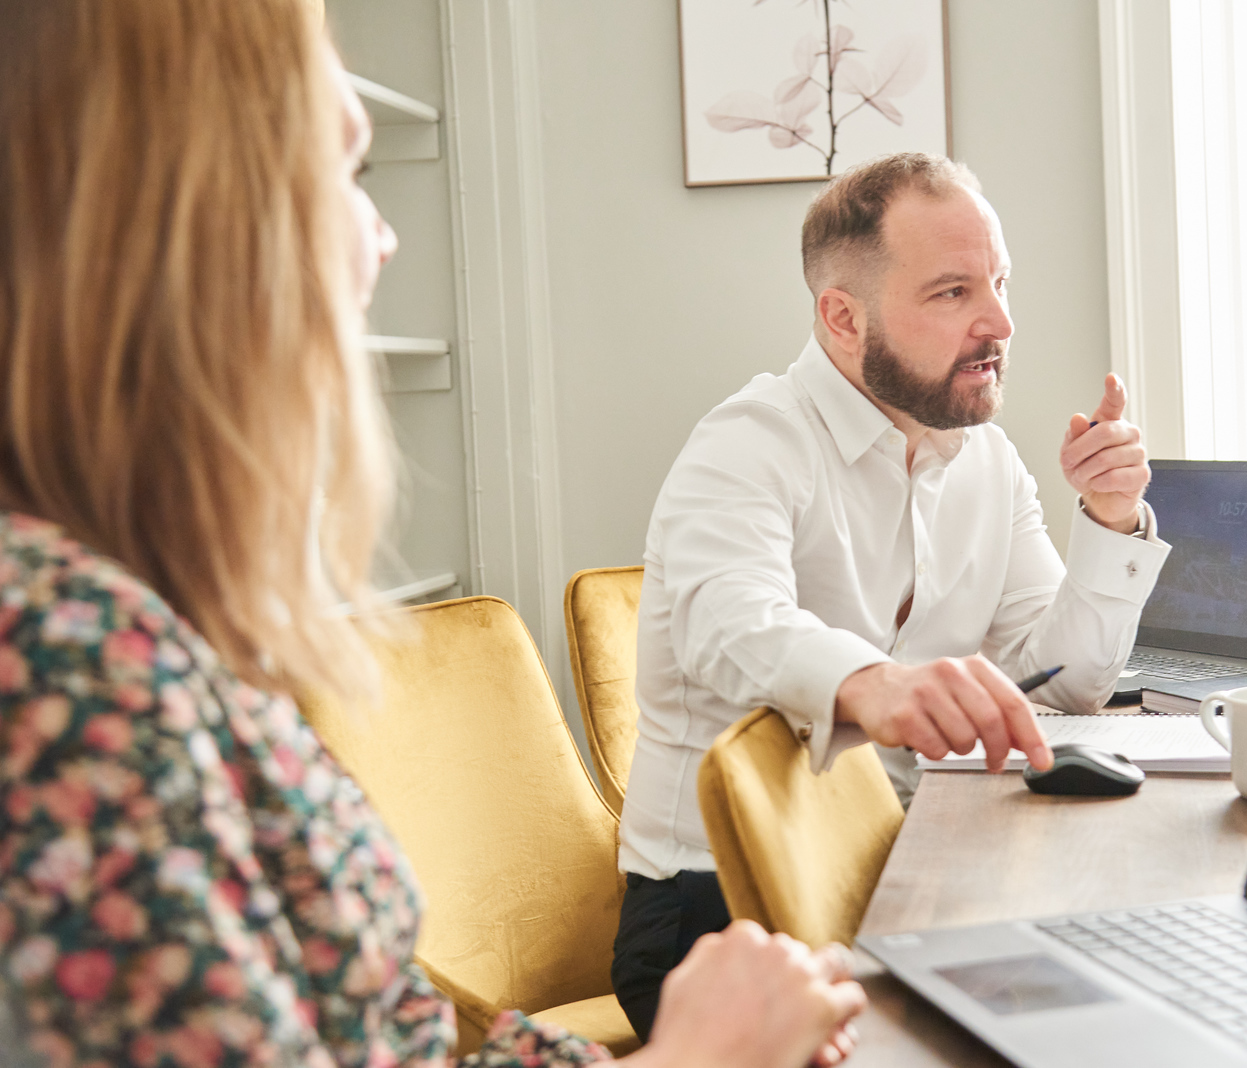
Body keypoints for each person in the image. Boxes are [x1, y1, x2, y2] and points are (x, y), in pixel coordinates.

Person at [0, 2, 863, 1066]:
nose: (383, 237)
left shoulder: (146, 633)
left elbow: (398, 1041)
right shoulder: (63, 660)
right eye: (346, 176)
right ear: (194, 228)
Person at [612, 153, 1173, 1038]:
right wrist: (879, 684)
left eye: (1000, 282)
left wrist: (1110, 520)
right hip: (719, 913)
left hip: (902, 858)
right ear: (843, 317)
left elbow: (1064, 683)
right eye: (953, 293)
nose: (1000, 321)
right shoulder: (746, 444)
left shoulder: (987, 460)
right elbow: (727, 625)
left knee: (1125, 993)